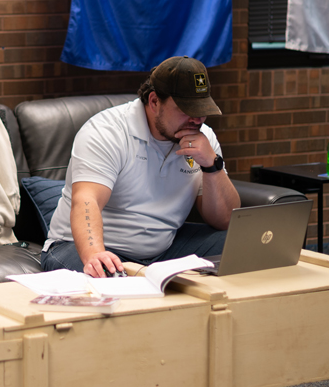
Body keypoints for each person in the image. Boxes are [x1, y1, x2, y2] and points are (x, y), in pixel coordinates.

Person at [40, 55, 241, 277]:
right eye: (187, 109)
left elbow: (225, 220)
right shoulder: (107, 131)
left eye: (201, 109)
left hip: (164, 249)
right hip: (85, 247)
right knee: (106, 277)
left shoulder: (205, 139)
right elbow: (86, 200)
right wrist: (95, 254)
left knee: (241, 246)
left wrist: (212, 166)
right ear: (154, 101)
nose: (196, 119)